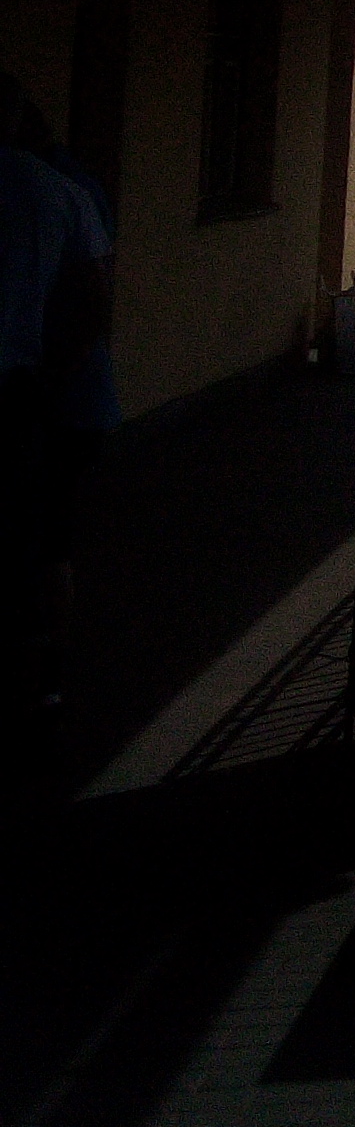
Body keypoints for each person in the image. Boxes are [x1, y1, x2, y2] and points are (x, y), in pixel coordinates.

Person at [2, 73, 118, 786]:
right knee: (42, 540)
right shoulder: (60, 192)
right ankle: (42, 687)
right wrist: (54, 379)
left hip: (28, 392)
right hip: (27, 391)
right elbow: (94, 302)